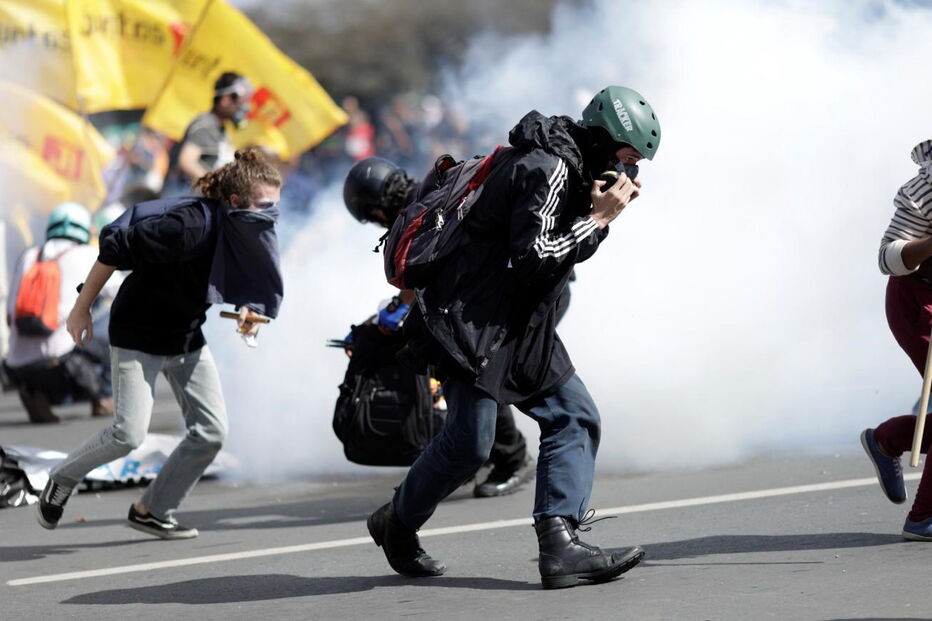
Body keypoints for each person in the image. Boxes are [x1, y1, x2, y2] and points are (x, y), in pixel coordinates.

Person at [363, 85, 661, 589]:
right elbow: (535, 261)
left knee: (573, 416)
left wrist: (595, 217)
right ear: (604, 140)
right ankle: (396, 523)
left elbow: (558, 256)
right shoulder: (548, 169)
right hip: (472, 322)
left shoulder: (572, 167)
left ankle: (560, 544)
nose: (630, 171)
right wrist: (598, 218)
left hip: (515, 320)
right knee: (469, 445)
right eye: (628, 158)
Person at [36, 147, 284, 540]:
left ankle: (152, 509)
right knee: (127, 435)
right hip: (138, 333)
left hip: (185, 337)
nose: (271, 215)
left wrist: (248, 312)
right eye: (264, 206)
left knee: (211, 432)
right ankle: (60, 477)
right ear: (235, 202)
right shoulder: (187, 226)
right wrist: (81, 309)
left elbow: (245, 274)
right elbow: (114, 251)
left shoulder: (239, 229)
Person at [343, 156, 535, 497]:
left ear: (374, 212)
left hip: (519, 285)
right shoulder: (430, 189)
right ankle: (473, 453)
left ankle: (513, 458)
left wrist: (396, 308)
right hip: (514, 280)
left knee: (479, 371)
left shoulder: (420, 208)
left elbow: (425, 266)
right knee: (462, 365)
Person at [862, 138, 932, 541]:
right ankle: (925, 517)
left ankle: (888, 439)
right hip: (919, 300)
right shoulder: (924, 189)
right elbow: (887, 258)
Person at [4, 202, 120, 423]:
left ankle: (34, 393)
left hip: (16, 365)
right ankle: (104, 397)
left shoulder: (29, 256)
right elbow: (122, 290)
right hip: (62, 362)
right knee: (113, 319)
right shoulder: (88, 254)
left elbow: (10, 318)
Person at [163, 72, 253, 196]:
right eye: (240, 102)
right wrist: (216, 186)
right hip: (183, 201)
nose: (244, 107)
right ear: (225, 99)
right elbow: (187, 161)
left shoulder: (220, 129)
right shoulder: (206, 124)